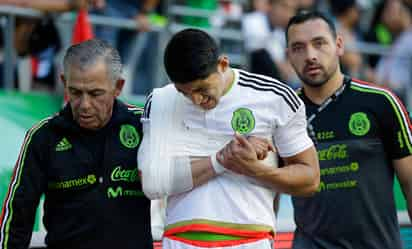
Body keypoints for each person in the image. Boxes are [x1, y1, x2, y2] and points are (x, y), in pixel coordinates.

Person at [138, 28, 320, 249]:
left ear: (223, 64)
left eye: (202, 88)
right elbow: (151, 181)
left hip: (250, 240)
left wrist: (257, 169)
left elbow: (310, 180)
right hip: (180, 240)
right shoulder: (161, 101)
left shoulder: (275, 97)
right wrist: (221, 159)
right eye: (185, 93)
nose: (196, 99)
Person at [0, 39, 153, 249]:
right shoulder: (43, 136)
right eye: (75, 92)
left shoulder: (144, 126)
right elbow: (17, 215)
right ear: (64, 82)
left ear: (118, 86)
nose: (85, 105)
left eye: (95, 93)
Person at [285, 11, 412, 249]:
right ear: (288, 56)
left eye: (319, 43)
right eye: (298, 48)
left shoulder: (381, 102)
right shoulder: (282, 112)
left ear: (339, 45)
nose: (310, 55)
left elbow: (410, 182)